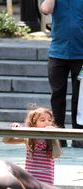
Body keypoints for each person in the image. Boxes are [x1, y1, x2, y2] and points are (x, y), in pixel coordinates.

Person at [40, 0, 83, 148]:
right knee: (57, 95)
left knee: (80, 97)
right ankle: (58, 136)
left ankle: (79, 135)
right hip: (58, 53)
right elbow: (45, 9)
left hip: (81, 55)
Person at [3, 107, 61, 185]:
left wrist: (53, 137)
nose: (47, 122)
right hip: (30, 179)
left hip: (46, 180)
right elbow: (6, 141)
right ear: (34, 123)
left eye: (49, 120)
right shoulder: (29, 139)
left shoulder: (51, 140)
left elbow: (57, 154)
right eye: (42, 120)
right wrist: (13, 130)